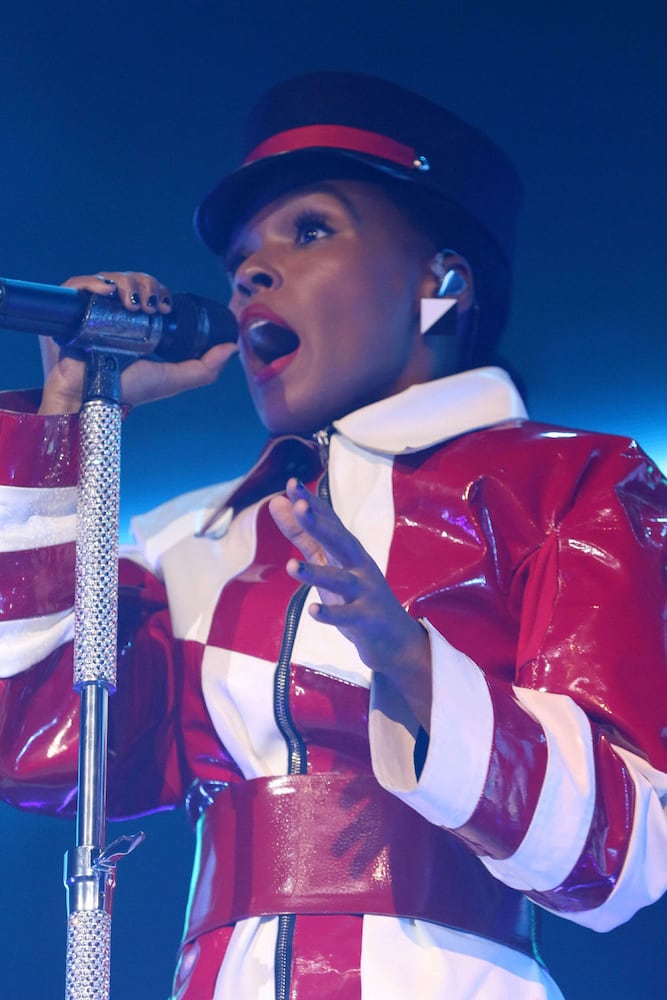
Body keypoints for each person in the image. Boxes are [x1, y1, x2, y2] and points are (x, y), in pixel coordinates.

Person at [0, 71, 666, 1000]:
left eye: (310, 230)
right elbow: (37, 749)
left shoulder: (569, 485)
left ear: (442, 283)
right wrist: (68, 415)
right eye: (241, 258)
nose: (248, 274)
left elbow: (624, 857)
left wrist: (414, 665)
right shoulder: (195, 537)